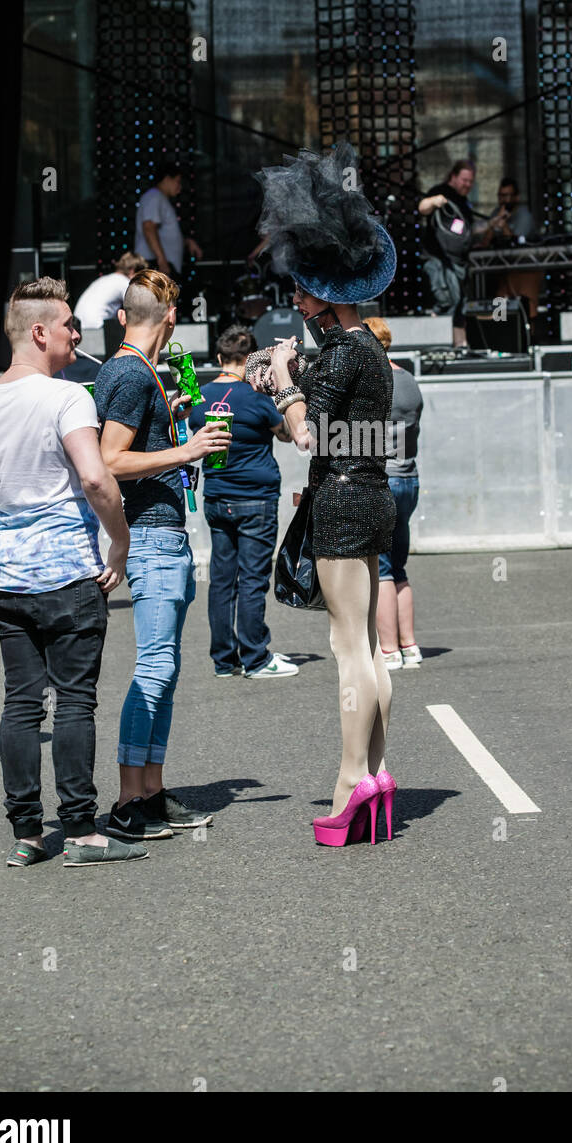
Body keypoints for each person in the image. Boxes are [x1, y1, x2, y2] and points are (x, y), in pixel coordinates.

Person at [0, 278, 145, 868]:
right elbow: (95, 479)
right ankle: (82, 830)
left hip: (11, 579)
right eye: (68, 324)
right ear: (39, 332)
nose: (77, 332)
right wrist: (119, 543)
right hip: (69, 572)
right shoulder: (69, 397)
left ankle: (27, 833)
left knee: (19, 705)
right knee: (74, 702)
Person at [250, 142, 398, 847]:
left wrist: (285, 387)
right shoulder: (369, 349)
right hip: (373, 496)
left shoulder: (340, 352)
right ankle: (377, 772)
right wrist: (289, 373)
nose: (299, 299)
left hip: (339, 499)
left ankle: (350, 783)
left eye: (306, 290)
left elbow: (311, 435)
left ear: (330, 294)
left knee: (349, 650)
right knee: (369, 645)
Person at [93, 269, 232, 843]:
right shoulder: (128, 371)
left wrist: (170, 420)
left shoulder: (139, 370)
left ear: (128, 315)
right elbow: (108, 460)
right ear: (171, 318)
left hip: (162, 534)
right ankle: (128, 801)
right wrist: (188, 448)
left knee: (165, 670)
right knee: (154, 668)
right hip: (150, 536)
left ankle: (149, 792)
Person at [189, 323, 298, 679]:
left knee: (222, 580)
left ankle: (224, 660)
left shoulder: (201, 395)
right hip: (255, 499)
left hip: (217, 497)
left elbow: (190, 426)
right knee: (252, 579)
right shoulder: (257, 397)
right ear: (251, 358)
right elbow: (285, 435)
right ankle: (256, 657)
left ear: (219, 357)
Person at [363, 317, 424, 673]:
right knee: (398, 567)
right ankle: (410, 645)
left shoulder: (374, 381)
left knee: (382, 570)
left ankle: (388, 649)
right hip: (408, 478)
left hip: (381, 479)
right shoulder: (410, 381)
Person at [418, 160, 498, 347]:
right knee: (446, 303)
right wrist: (434, 201)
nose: (468, 185)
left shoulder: (464, 203)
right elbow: (422, 207)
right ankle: (442, 348)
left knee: (460, 306)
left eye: (471, 181)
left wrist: (492, 225)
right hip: (439, 261)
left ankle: (460, 346)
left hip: (458, 263)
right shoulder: (441, 192)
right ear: (453, 177)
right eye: (464, 180)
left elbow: (467, 230)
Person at [134, 160, 203, 279]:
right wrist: (162, 261)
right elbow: (149, 227)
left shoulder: (159, 198)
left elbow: (164, 233)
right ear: (167, 179)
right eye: (178, 182)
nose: (180, 187)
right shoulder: (154, 197)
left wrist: (186, 242)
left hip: (161, 265)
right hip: (155, 265)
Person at [490, 176, 542, 322]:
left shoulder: (524, 215)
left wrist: (504, 224)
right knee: (499, 309)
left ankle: (530, 339)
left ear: (516, 197)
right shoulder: (496, 213)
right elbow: (485, 242)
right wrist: (492, 225)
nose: (504, 200)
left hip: (526, 268)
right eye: (501, 196)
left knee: (528, 309)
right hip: (505, 270)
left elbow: (518, 244)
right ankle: (500, 335)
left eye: (508, 196)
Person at [73, 253, 147, 330]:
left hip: (79, 325)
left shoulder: (104, 279)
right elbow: (139, 308)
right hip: (96, 327)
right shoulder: (124, 282)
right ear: (132, 271)